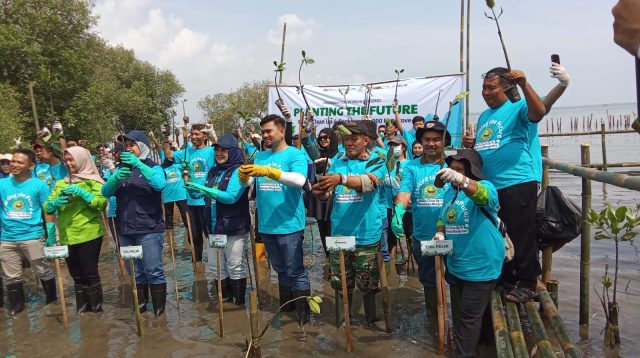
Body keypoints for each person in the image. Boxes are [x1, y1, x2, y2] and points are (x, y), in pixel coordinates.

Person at [462, 68, 546, 302]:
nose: (485, 92)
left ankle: (527, 282)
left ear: (507, 87)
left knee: (522, 233)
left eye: (491, 88)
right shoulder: (485, 116)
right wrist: (474, 143)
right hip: (492, 186)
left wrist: (525, 84)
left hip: (517, 181)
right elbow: (488, 144)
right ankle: (508, 276)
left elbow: (539, 112)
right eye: (484, 88)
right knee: (500, 232)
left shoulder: (518, 106)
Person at [238, 114, 311, 326]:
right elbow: (248, 184)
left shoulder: (294, 155)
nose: (265, 135)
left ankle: (303, 317)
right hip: (267, 224)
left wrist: (271, 171)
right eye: (262, 132)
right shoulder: (260, 156)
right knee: (280, 270)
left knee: (295, 270)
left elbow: (299, 180)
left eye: (268, 131)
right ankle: (287, 308)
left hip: (289, 224)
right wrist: (243, 176)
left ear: (281, 131)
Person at [312, 120, 386, 325]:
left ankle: (371, 322)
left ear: (366, 140)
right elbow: (328, 193)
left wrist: (341, 179)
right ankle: (342, 325)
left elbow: (369, 183)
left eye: (354, 139)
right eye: (346, 139)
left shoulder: (377, 161)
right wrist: (320, 192)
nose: (349, 143)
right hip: (339, 235)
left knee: (369, 285)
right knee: (340, 284)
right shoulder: (337, 161)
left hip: (366, 236)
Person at [434, 149, 504, 357]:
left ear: (471, 171)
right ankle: (482, 346)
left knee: (467, 319)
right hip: (456, 263)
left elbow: (482, 196)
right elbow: (441, 218)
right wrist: (439, 233)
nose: (454, 174)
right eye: (452, 169)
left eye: (460, 170)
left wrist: (461, 180)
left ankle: (464, 354)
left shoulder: (486, 188)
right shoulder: (449, 193)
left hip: (481, 264)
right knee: (467, 315)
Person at [102, 130, 167, 316]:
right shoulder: (121, 168)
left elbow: (159, 185)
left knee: (153, 270)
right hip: (124, 230)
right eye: (126, 145)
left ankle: (159, 312)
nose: (128, 149)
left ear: (143, 147)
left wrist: (139, 165)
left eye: (132, 145)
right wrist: (115, 178)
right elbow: (105, 192)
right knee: (135, 272)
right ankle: (141, 306)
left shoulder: (154, 167)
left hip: (149, 228)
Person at [392, 121, 451, 320]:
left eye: (436, 139)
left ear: (444, 142)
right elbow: (405, 192)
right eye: (427, 140)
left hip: (454, 235)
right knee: (429, 281)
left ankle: (456, 320)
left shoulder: (454, 165)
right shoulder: (411, 167)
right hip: (424, 236)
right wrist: (398, 212)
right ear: (421, 142)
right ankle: (435, 319)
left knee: (458, 277)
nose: (432, 144)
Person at [186, 134, 250, 305]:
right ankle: (225, 300)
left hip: (234, 228)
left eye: (224, 150)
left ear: (233, 151)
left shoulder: (240, 171)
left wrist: (203, 188)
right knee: (216, 266)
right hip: (214, 229)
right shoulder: (213, 171)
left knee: (234, 265)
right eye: (217, 150)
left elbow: (230, 197)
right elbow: (197, 193)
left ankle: (238, 303)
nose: (219, 154)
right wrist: (191, 181)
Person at [45, 146, 107, 313]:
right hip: (67, 235)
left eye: (72, 159)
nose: (69, 163)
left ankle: (96, 309)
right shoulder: (60, 182)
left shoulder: (93, 181)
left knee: (89, 272)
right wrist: (55, 202)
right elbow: (47, 206)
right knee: (76, 275)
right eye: (67, 160)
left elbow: (101, 204)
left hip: (89, 234)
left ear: (82, 160)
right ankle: (82, 308)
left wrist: (83, 193)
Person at [0, 149, 57, 315]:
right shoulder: (2, 184)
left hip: (32, 236)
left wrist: (51, 232)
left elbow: (48, 209)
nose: (14, 165)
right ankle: (18, 311)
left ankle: (52, 302)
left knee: (42, 270)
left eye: (20, 162)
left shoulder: (39, 185)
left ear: (31, 165)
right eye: (13, 161)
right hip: (7, 238)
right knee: (11, 276)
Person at [163, 124, 215, 263]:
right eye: (192, 134)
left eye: (197, 134)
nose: (193, 137)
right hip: (191, 202)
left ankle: (216, 266)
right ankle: (197, 269)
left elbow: (226, 150)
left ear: (205, 136)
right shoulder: (186, 152)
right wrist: (166, 137)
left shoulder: (211, 151)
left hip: (208, 201)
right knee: (194, 237)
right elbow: (168, 154)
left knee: (211, 236)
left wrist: (213, 133)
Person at [301, 126, 341, 256]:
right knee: (322, 229)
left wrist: (331, 162)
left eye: (326, 137)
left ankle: (338, 258)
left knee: (333, 229)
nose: (322, 140)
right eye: (320, 138)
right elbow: (306, 141)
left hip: (335, 198)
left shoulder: (340, 154)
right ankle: (328, 258)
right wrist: (308, 124)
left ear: (332, 138)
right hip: (319, 197)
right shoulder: (318, 154)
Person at [383, 136, 411, 273]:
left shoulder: (410, 165)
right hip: (389, 206)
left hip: (407, 207)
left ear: (403, 147)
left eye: (396, 145)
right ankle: (392, 269)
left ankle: (406, 262)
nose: (393, 148)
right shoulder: (388, 164)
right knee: (391, 238)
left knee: (406, 235)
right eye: (391, 145)